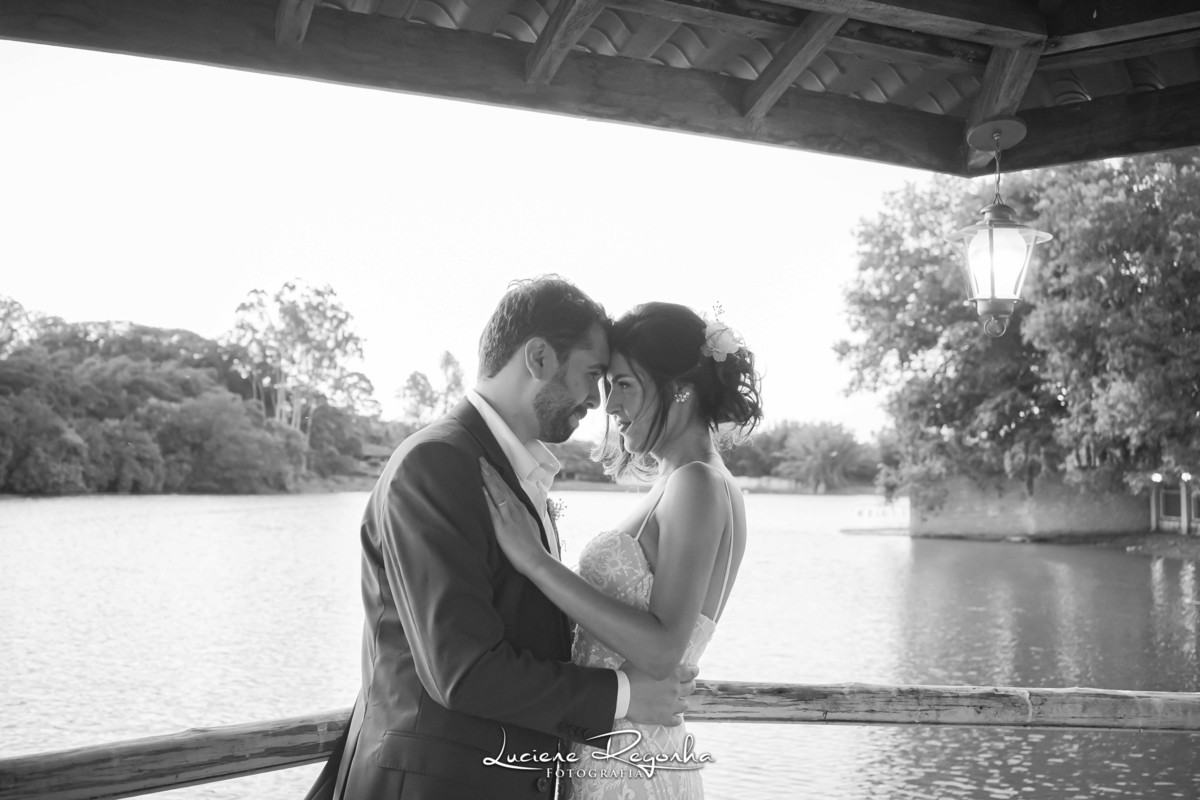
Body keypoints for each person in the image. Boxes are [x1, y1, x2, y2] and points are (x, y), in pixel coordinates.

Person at [312, 278, 698, 800]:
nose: (596, 399)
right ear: (538, 357)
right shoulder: (437, 464)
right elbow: (463, 671)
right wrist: (625, 696)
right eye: (591, 374)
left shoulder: (507, 469)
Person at [481, 301, 763, 800]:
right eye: (608, 386)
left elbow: (662, 649)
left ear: (681, 388)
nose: (608, 406)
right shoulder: (686, 480)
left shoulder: (696, 483)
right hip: (622, 748)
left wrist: (535, 562)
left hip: (631, 764)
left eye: (624, 385)